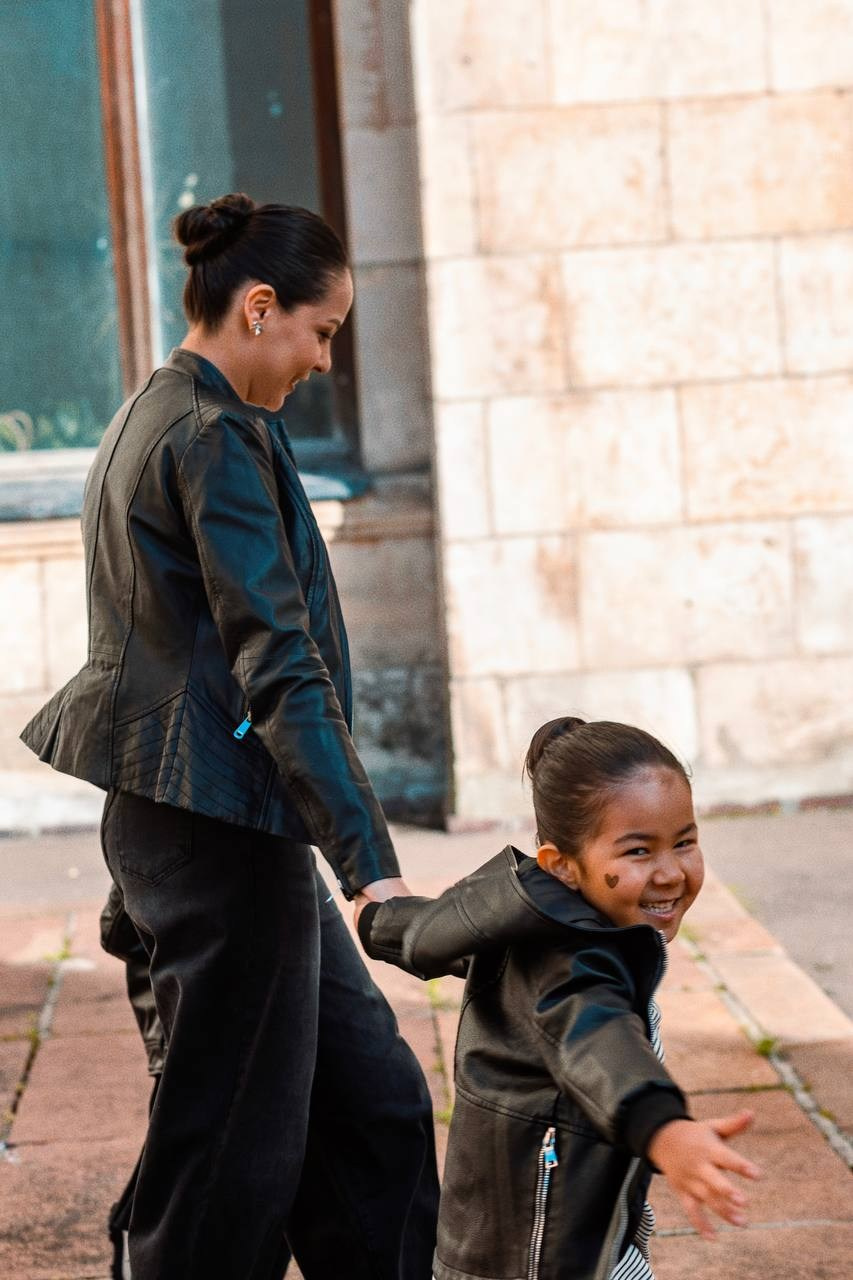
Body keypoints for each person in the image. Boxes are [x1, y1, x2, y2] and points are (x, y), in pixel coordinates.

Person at [21, 193, 439, 1280]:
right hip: (214, 839)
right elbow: (279, 661)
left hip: (229, 821)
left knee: (376, 1111)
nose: (322, 360)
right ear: (260, 307)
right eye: (322, 331)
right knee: (229, 1162)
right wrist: (372, 866)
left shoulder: (163, 412)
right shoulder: (208, 435)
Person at [357, 717, 763, 1280]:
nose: (671, 872)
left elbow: (431, 928)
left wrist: (376, 919)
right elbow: (597, 1041)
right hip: (539, 1251)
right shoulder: (572, 961)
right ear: (562, 866)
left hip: (540, 1225)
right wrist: (664, 1130)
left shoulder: (520, 920)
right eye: (639, 851)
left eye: (685, 842)